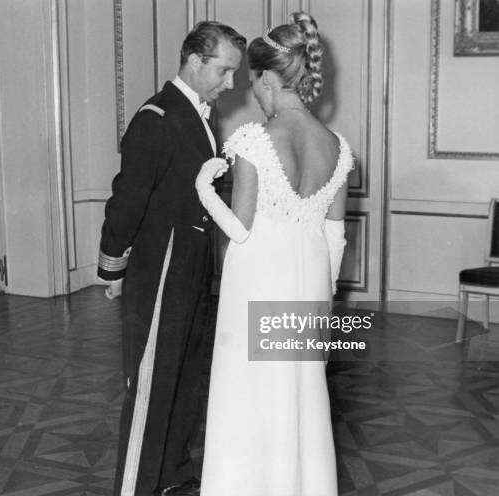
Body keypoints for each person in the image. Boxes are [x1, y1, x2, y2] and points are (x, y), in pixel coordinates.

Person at [195, 13, 353, 495]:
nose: (253, 95)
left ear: (268, 78)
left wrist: (205, 187)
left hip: (257, 285)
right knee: (298, 401)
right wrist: (323, 312)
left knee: (248, 399)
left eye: (253, 83)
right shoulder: (339, 148)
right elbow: (336, 239)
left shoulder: (252, 142)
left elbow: (239, 230)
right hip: (309, 289)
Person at [97, 22, 246, 496]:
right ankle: (136, 487)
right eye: (224, 71)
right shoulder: (156, 117)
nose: (230, 84)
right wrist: (111, 267)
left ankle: (171, 477)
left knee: (183, 375)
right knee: (149, 384)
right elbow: (126, 203)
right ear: (194, 60)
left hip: (192, 267)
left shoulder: (198, 115)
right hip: (159, 270)